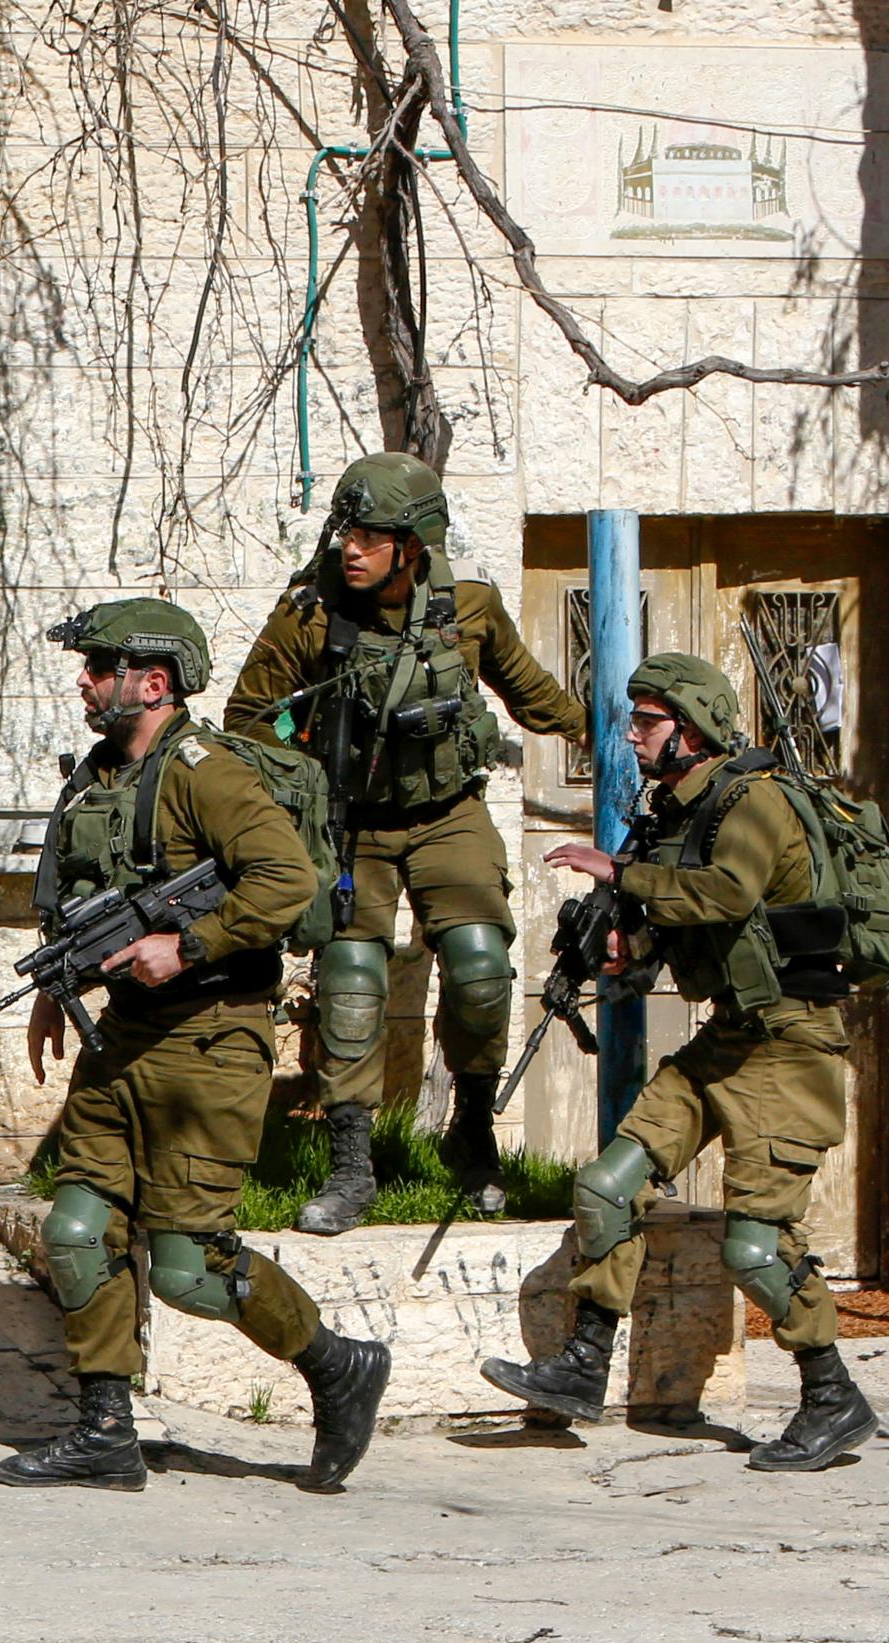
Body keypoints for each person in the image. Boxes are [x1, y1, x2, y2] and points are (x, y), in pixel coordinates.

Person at [0, 599, 392, 1495]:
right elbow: (93, 901)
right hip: (123, 1038)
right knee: (78, 1227)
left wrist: (191, 945)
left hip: (209, 1043)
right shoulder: (100, 775)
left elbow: (287, 878)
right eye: (88, 665)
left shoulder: (207, 773)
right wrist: (58, 995)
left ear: (154, 681)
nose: (86, 679)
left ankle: (337, 1364)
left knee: (185, 1266)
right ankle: (104, 1429)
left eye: (101, 665)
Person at [479, 653, 877, 1472]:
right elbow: (688, 918)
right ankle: (583, 1368)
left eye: (648, 721)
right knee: (606, 1185)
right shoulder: (680, 810)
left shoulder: (755, 801)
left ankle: (833, 1397)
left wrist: (618, 869)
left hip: (790, 1045)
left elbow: (728, 893)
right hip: (728, 1038)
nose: (633, 734)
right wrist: (622, 945)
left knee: (756, 1247)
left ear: (691, 729)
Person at [224, 452, 587, 1233]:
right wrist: (304, 773)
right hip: (350, 820)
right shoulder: (310, 615)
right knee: (351, 982)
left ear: (412, 544)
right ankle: (352, 1167)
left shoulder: (471, 609)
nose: (350, 547)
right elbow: (247, 719)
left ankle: (473, 1131)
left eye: (370, 534)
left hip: (449, 812)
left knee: (484, 968)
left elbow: (534, 696)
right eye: (344, 529)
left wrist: (618, 733)